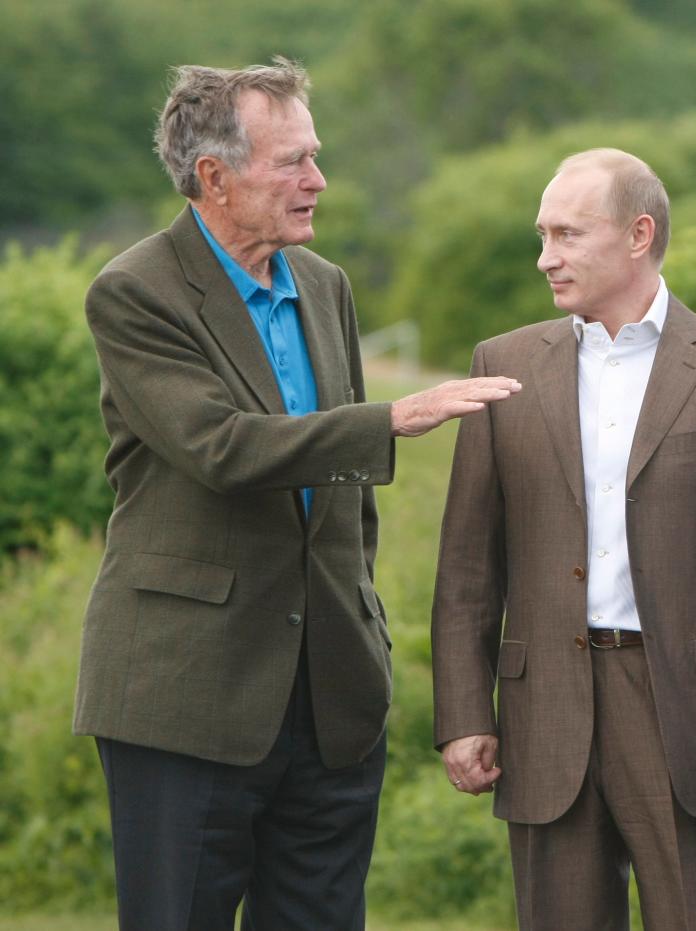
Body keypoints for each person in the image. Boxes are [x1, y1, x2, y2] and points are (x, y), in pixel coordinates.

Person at [72, 58, 520, 931]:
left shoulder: (326, 285)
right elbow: (221, 446)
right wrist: (391, 418)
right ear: (214, 176)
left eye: (315, 156)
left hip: (333, 699)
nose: (318, 180)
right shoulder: (134, 293)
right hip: (186, 698)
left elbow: (348, 504)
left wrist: (366, 622)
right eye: (292, 162)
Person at [431, 148, 696, 930]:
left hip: (691, 711)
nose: (547, 257)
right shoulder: (501, 366)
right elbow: (469, 565)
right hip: (545, 710)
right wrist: (465, 710)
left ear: (639, 234)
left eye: (568, 235)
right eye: (543, 235)